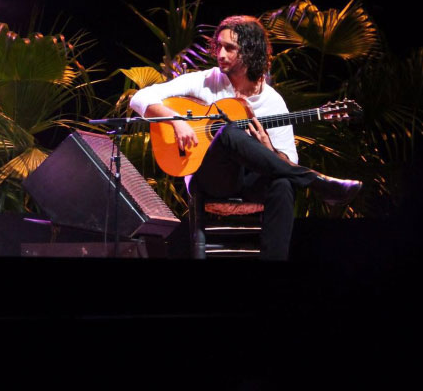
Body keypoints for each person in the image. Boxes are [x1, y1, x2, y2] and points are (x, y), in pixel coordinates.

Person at [129, 15, 362, 260]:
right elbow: (139, 98)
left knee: (283, 184)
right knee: (228, 131)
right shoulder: (206, 81)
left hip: (249, 182)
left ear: (250, 52)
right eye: (218, 46)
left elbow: (285, 162)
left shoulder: (272, 102)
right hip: (210, 178)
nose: (220, 53)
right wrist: (175, 120)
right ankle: (315, 182)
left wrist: (267, 148)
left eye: (229, 48)